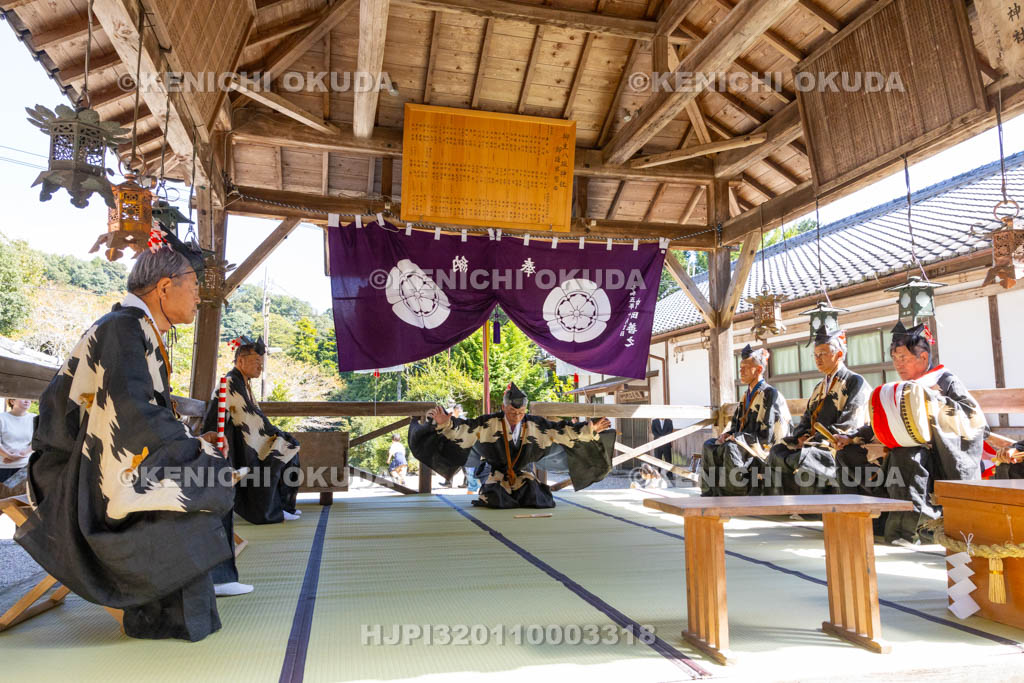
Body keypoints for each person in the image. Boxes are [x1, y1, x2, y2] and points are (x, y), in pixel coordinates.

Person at [15, 229, 237, 641]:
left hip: (99, 459)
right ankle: (165, 601)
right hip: (72, 474)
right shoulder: (122, 329)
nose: (198, 297)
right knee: (202, 478)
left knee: (204, 472)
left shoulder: (136, 328)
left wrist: (192, 448)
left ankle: (193, 586)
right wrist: (191, 449)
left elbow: (139, 414)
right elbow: (131, 413)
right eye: (192, 287)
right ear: (165, 287)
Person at [849, 322, 987, 545]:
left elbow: (974, 419)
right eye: (895, 359)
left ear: (923, 358)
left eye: (903, 358)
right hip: (906, 450)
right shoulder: (905, 388)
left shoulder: (945, 381)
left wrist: (932, 401)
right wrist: (854, 437)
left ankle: (914, 529)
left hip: (941, 455)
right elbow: (883, 419)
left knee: (907, 456)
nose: (898, 364)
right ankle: (869, 521)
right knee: (851, 454)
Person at [409, 382, 614, 508]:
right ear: (503, 407)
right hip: (495, 473)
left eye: (520, 413)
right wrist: (447, 424)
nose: (516, 417)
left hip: (522, 473)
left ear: (525, 410)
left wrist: (590, 430)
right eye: (511, 412)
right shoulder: (488, 423)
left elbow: (561, 431)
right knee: (498, 499)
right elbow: (465, 429)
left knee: (537, 498)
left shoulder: (534, 424)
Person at [203, 336, 301, 526]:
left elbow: (253, 414)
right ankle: (270, 510)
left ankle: (283, 506)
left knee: (289, 448)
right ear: (240, 361)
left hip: (242, 436)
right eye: (256, 361)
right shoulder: (231, 382)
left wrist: (275, 432)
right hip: (231, 441)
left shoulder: (243, 383)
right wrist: (273, 433)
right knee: (280, 450)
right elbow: (247, 417)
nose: (260, 367)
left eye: (261, 363)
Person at [765, 328, 871, 496]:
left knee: (805, 456)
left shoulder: (854, 381)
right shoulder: (819, 387)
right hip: (813, 441)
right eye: (815, 355)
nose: (817, 359)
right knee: (777, 451)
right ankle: (784, 503)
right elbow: (807, 418)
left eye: (822, 354)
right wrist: (801, 436)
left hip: (835, 443)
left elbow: (850, 421)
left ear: (839, 354)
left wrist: (817, 440)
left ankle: (809, 508)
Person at [702, 345, 791, 496]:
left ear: (758, 370)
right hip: (745, 441)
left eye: (745, 367)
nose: (740, 371)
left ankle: (736, 493)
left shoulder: (770, 394)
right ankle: (710, 492)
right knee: (710, 445)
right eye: (740, 367)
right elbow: (737, 425)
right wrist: (727, 434)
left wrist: (736, 438)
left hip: (764, 446)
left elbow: (768, 434)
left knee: (731, 447)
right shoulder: (746, 395)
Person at [0, 398, 34, 484]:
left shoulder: (34, 418)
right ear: (12, 401)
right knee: (2, 496)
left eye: (29, 399)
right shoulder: (2, 418)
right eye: (23, 398)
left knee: (17, 497)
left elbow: (38, 440)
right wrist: (8, 455)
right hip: (2, 466)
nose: (27, 401)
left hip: (24, 468)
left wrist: (21, 454)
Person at [651, 416, 675, 482]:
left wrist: (664, 438)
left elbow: (670, 431)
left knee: (668, 460)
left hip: (666, 444)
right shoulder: (654, 421)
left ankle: (669, 475)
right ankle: (657, 475)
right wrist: (660, 437)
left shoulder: (669, 421)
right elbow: (653, 431)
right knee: (657, 460)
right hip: (657, 444)